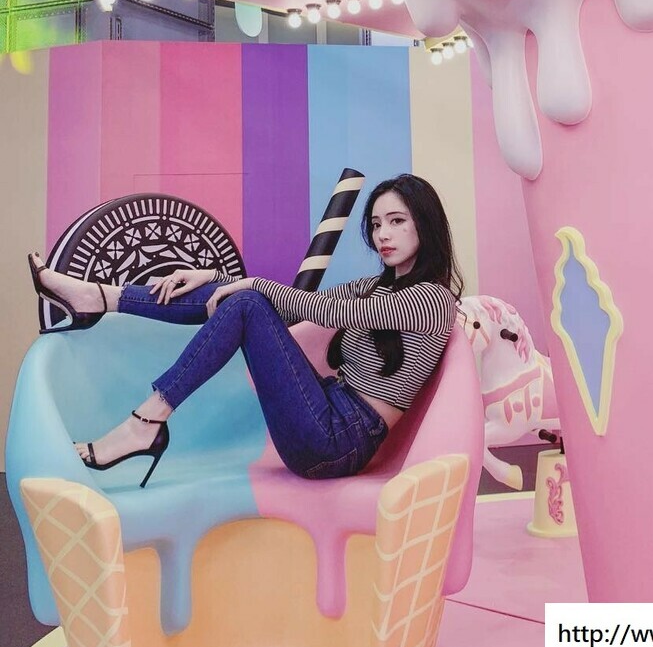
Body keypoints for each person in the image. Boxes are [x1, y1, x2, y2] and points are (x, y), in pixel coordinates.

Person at [27, 174, 463, 486]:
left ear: (424, 224)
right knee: (244, 302)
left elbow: (324, 310)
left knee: (249, 300)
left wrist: (248, 285)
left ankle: (145, 421)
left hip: (338, 442)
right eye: (376, 223)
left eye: (397, 221)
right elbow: (293, 304)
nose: (383, 234)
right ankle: (99, 298)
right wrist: (215, 277)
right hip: (326, 413)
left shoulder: (433, 301)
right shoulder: (374, 286)